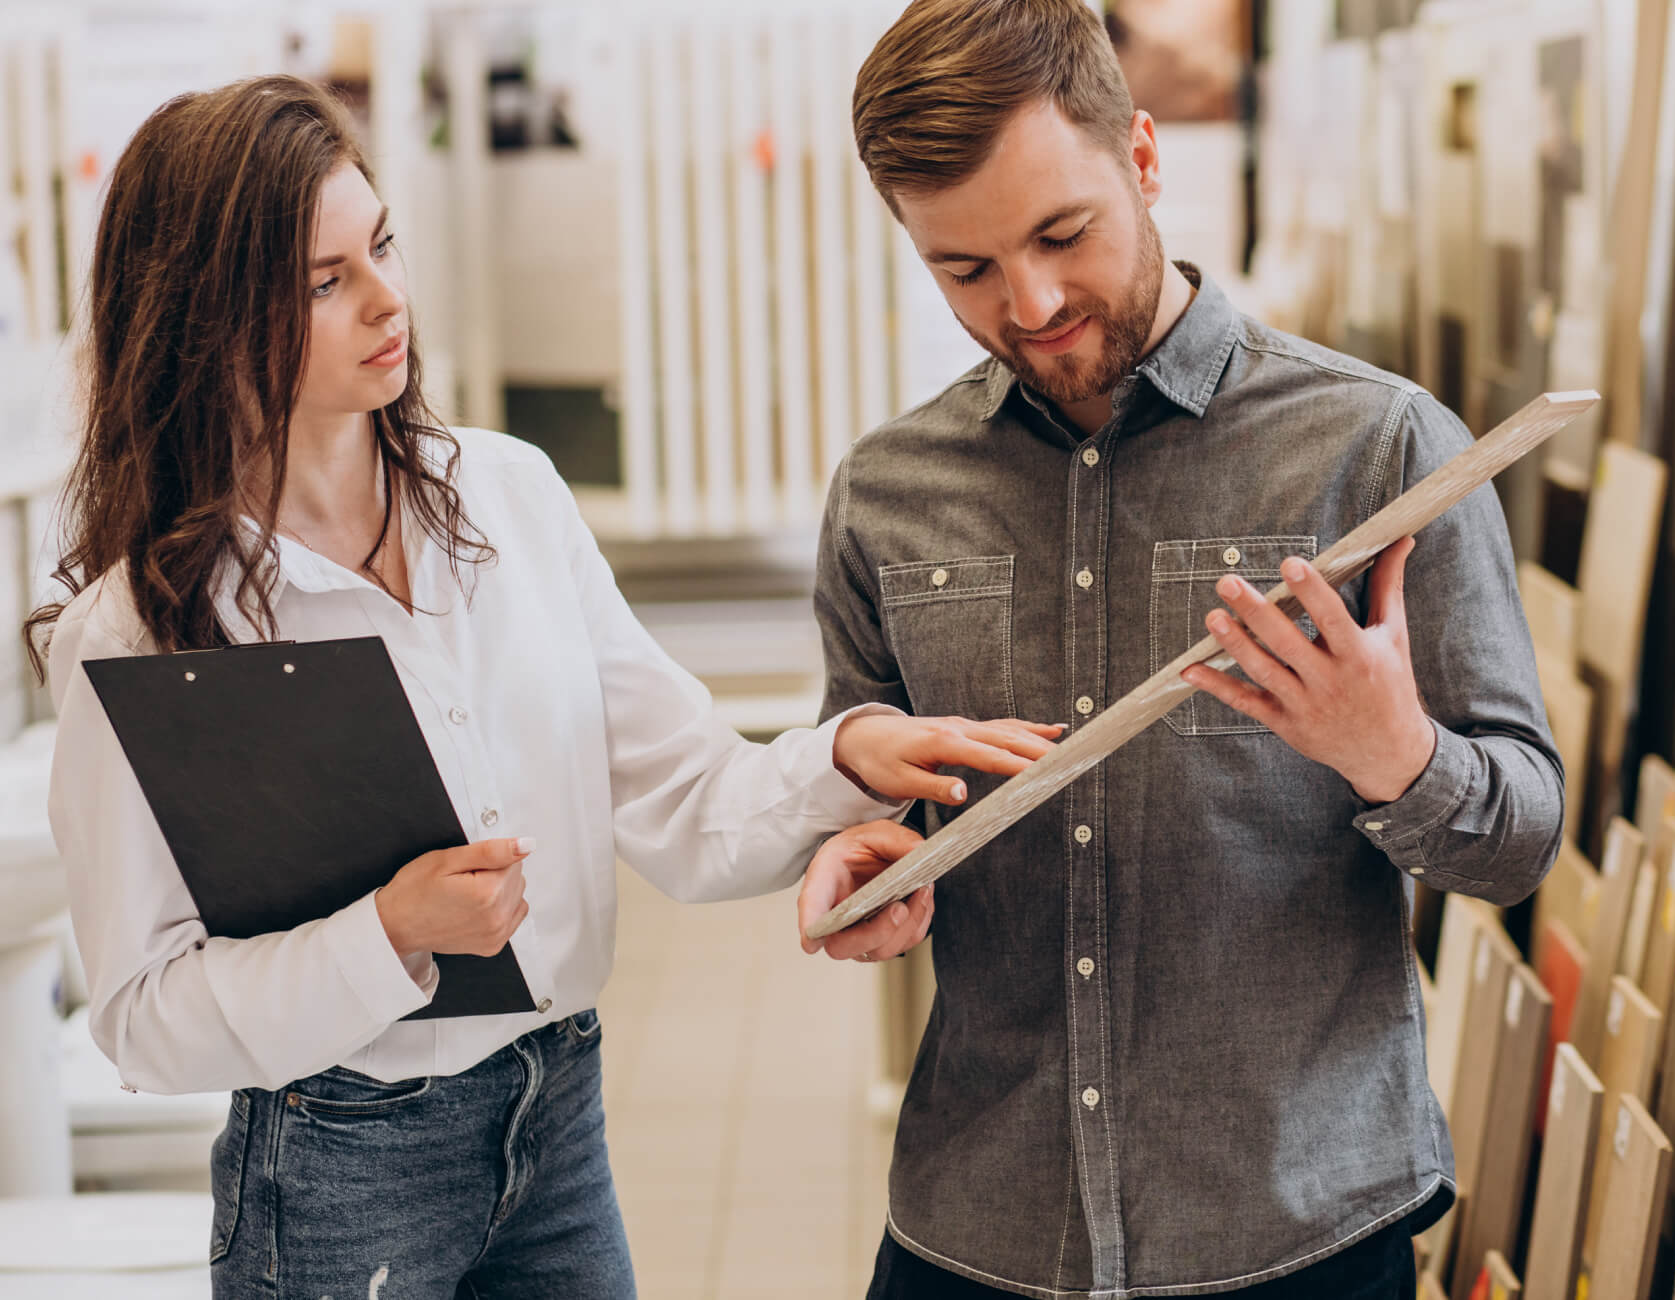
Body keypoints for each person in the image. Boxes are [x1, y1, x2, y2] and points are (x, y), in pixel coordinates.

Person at [32, 75, 1057, 1298]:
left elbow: (682, 796)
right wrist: (388, 936)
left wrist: (839, 758)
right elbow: (142, 1018)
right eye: (323, 281)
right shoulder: (142, 634)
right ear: (204, 315)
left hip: (555, 1117)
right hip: (335, 1167)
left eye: (382, 245)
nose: (387, 298)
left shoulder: (507, 498)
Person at [798, 3, 1565, 1296]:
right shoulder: (888, 493)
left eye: (1061, 234)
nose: (1029, 304)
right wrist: (859, 855)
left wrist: (1398, 758)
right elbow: (862, 783)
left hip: (1295, 1232)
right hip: (982, 1225)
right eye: (965, 270)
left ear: (1145, 159)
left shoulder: (1379, 454)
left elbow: (1519, 841)